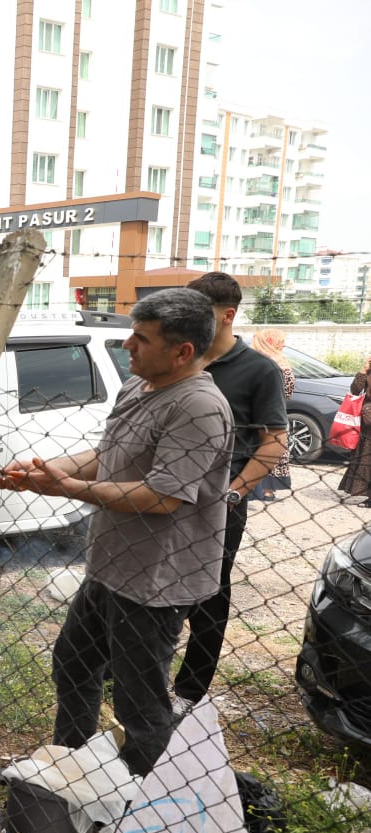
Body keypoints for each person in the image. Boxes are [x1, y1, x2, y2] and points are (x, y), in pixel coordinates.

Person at [0, 287, 232, 776]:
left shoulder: (196, 406)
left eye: (142, 339)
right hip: (111, 565)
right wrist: (44, 470)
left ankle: (143, 806)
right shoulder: (138, 387)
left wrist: (71, 490)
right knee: (74, 665)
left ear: (182, 351)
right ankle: (72, 769)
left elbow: (164, 497)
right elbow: (108, 456)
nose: (128, 346)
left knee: (139, 703)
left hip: (155, 582)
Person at [172, 272, 286, 713]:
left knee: (208, 594)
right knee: (149, 583)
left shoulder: (259, 370)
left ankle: (188, 693)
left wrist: (235, 494)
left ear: (227, 316)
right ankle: (127, 670)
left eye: (198, 314)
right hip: (165, 492)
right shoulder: (183, 359)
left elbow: (273, 439)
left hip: (220, 503)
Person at [248, 329, 294, 501]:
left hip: (256, 414)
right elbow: (287, 392)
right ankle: (266, 489)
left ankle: (260, 488)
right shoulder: (277, 363)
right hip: (273, 414)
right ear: (270, 342)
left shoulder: (251, 361)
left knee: (261, 449)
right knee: (271, 449)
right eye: (281, 341)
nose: (284, 344)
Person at [339, 355, 371, 507]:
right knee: (366, 460)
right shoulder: (368, 371)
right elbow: (355, 390)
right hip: (367, 424)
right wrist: (363, 370)